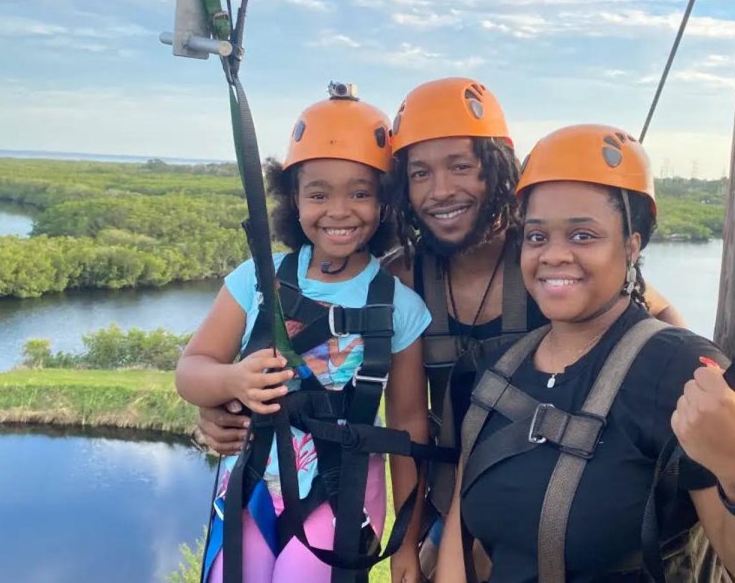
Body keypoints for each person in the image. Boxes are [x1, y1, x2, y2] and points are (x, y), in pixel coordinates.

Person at [196, 77, 687, 578]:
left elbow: (656, 323)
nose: (441, 190)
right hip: (449, 507)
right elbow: (368, 394)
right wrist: (226, 404)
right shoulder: (400, 280)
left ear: (496, 169)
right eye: (420, 173)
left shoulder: (545, 261)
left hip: (559, 507)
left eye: (461, 166)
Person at [435, 124, 735, 582]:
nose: (553, 255)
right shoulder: (496, 370)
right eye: (536, 236)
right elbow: (463, 536)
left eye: (582, 235)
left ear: (632, 245)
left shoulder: (678, 373)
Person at [175, 85, 431, 583]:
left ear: (385, 202)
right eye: (318, 194)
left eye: (360, 193)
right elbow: (192, 371)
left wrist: (407, 544)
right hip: (249, 486)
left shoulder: (399, 307)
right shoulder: (256, 280)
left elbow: (407, 426)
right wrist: (233, 381)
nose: (339, 210)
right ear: (293, 200)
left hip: (341, 494)